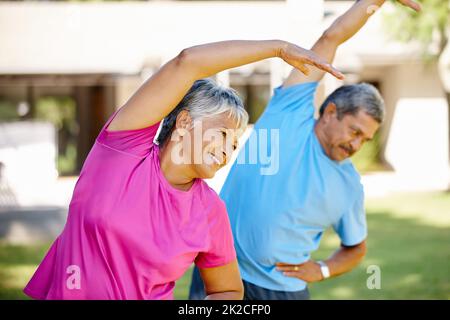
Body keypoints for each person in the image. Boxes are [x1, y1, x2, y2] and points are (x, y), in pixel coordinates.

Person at [23, 39, 343, 300]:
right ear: (185, 122)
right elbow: (187, 62)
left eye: (234, 145)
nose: (227, 151)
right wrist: (277, 48)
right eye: (222, 135)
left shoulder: (210, 211)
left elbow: (229, 291)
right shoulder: (121, 151)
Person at [189, 0, 421, 300]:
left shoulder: (350, 185)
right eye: (354, 131)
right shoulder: (290, 111)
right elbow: (331, 38)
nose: (356, 144)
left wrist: (323, 269)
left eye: (364, 139)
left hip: (282, 291)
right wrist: (373, 2)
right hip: (219, 271)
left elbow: (356, 247)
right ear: (330, 112)